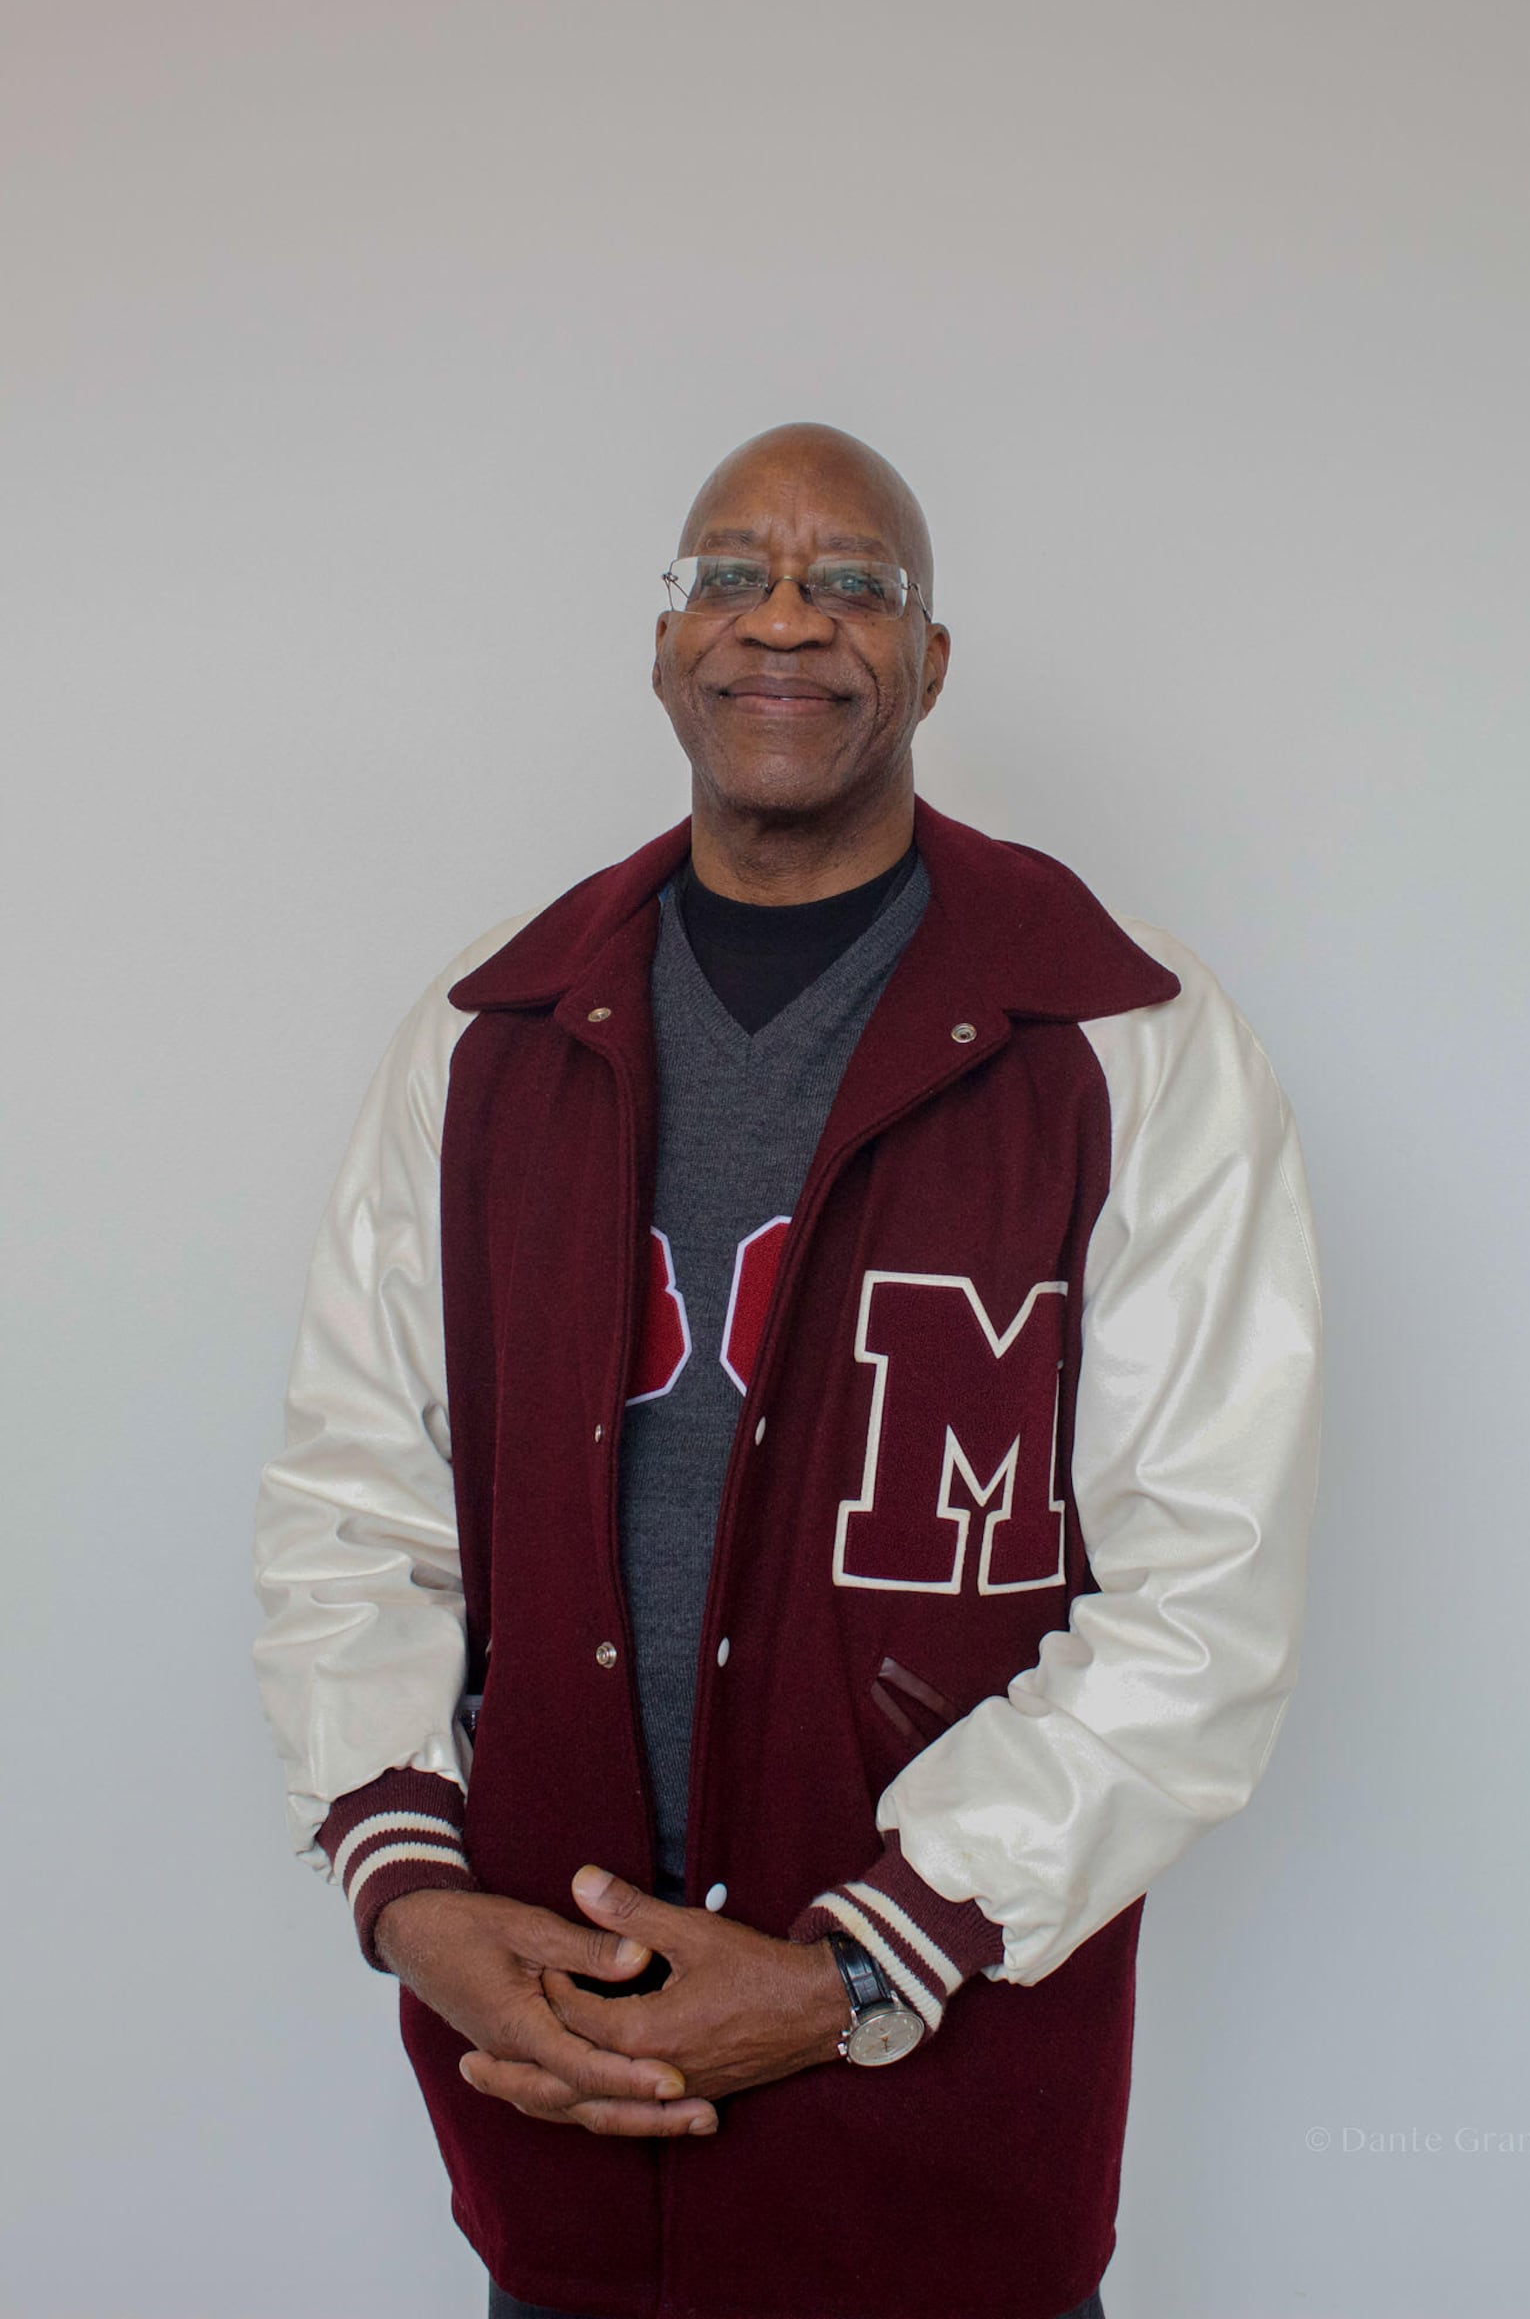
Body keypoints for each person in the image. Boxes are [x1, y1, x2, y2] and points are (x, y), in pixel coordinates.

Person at [251, 421, 1323, 2319]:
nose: (785, 620)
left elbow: (1204, 1593)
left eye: (854, 582)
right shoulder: (487, 1031)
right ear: (665, 640)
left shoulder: (1127, 1035)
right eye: (731, 572)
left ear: (930, 659)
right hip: (563, 2099)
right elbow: (356, 1503)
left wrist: (857, 1966)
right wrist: (413, 1892)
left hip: (948, 2143)